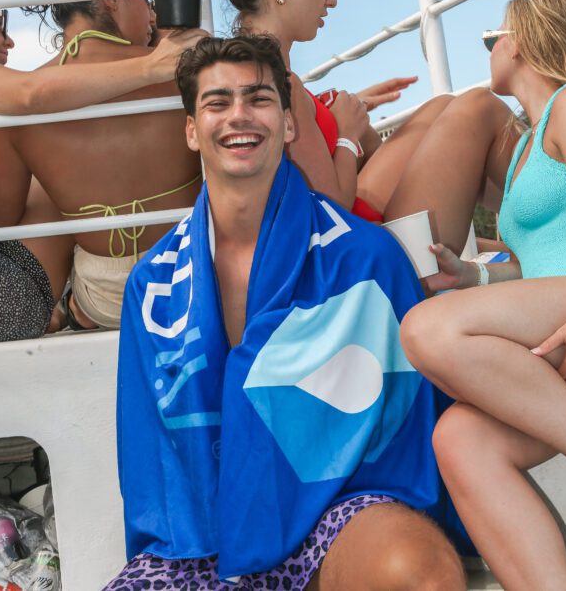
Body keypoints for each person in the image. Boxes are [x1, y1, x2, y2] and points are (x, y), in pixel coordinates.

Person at [106, 35, 471, 591]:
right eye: (217, 102)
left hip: (336, 509)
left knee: (419, 574)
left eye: (258, 99)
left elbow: (405, 421)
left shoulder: (365, 257)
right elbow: (150, 455)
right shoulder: (153, 283)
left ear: (289, 121)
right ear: (190, 129)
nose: (239, 117)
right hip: (205, 532)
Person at [400, 0, 566, 591]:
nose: (489, 47)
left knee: (427, 329)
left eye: (494, 36)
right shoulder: (524, 149)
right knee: (459, 439)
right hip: (562, 316)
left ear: (527, 39)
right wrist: (475, 275)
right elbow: (539, 259)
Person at [0, 0, 202, 347]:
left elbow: (1, 214)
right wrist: (154, 65)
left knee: (44, 153)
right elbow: (28, 95)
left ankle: (77, 308)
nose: (9, 38)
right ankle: (78, 306)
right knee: (52, 166)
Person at [221, 0, 520, 255]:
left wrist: (332, 112)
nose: (332, 0)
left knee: (441, 108)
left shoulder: (254, 74)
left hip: (346, 235)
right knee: (478, 107)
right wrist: (347, 135)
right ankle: (563, 213)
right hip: (356, 260)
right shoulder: (280, 84)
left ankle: (538, 226)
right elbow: (331, 212)